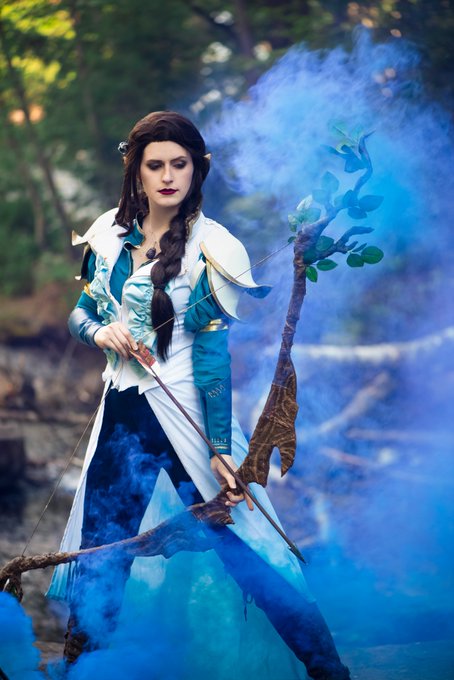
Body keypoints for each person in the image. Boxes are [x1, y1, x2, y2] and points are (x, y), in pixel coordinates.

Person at [48, 111, 350, 680]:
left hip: (190, 416)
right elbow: (81, 313)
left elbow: (212, 356)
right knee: (100, 554)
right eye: (155, 165)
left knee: (248, 551)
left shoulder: (215, 246)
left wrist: (219, 448)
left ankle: (330, 672)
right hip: (121, 412)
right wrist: (100, 332)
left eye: (179, 164)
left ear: (197, 168)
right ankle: (82, 672)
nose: (167, 176)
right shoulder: (107, 233)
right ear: (136, 171)